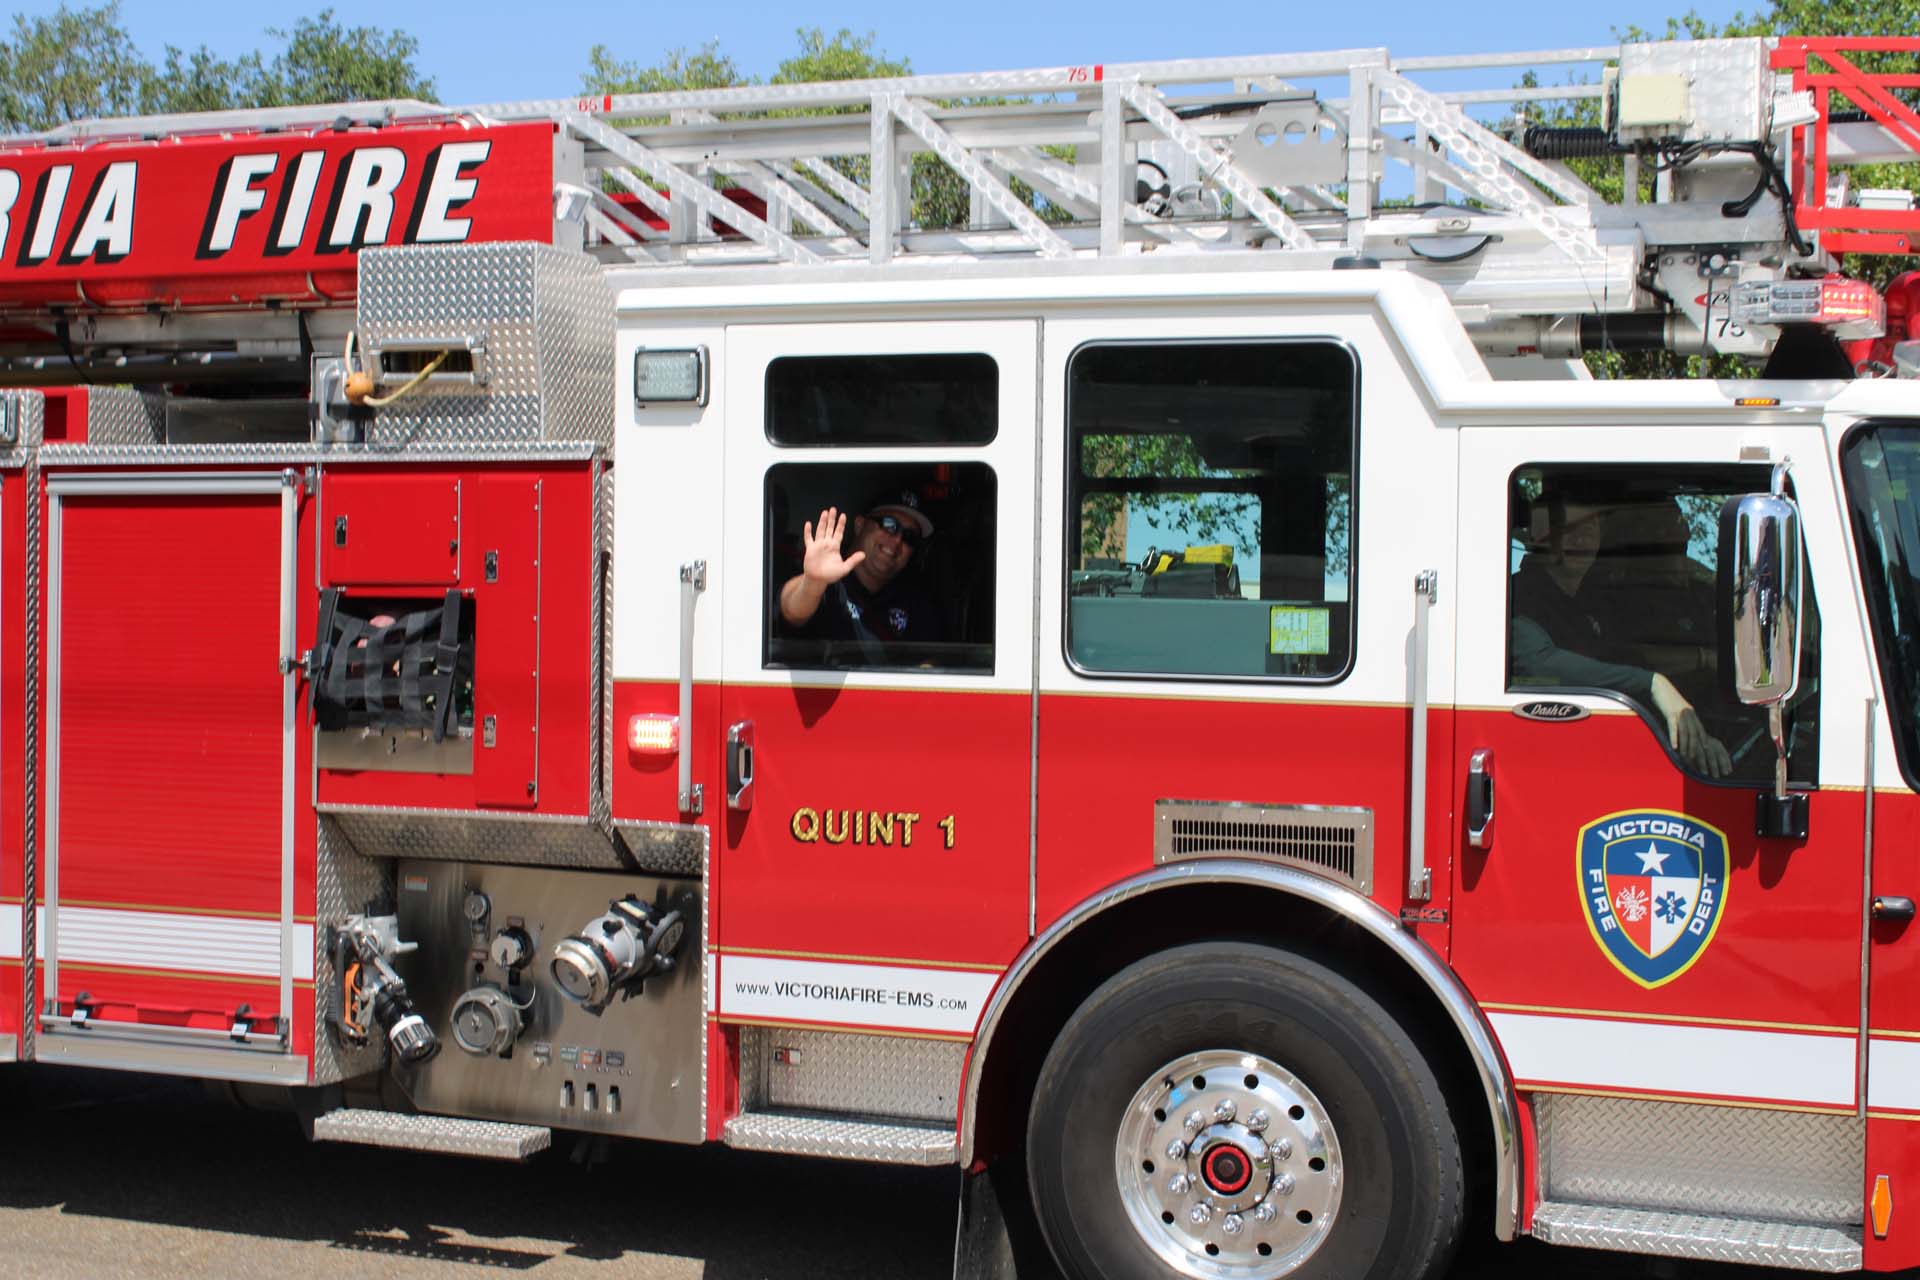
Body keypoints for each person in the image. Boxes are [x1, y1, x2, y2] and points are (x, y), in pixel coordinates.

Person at [1512, 487, 1733, 778]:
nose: (1583, 538)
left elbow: (1625, 659)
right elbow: (1539, 661)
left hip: (1598, 758)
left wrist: (1694, 737)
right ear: (1540, 538)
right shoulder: (1518, 596)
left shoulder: (1590, 602)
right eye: (1569, 529)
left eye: (1591, 526)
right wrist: (1653, 683)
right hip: (1544, 764)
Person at [778, 489, 945, 646]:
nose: (897, 541)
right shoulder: (825, 579)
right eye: (889, 525)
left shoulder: (916, 602)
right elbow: (791, 613)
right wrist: (814, 581)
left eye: (910, 537)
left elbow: (931, 662)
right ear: (860, 525)